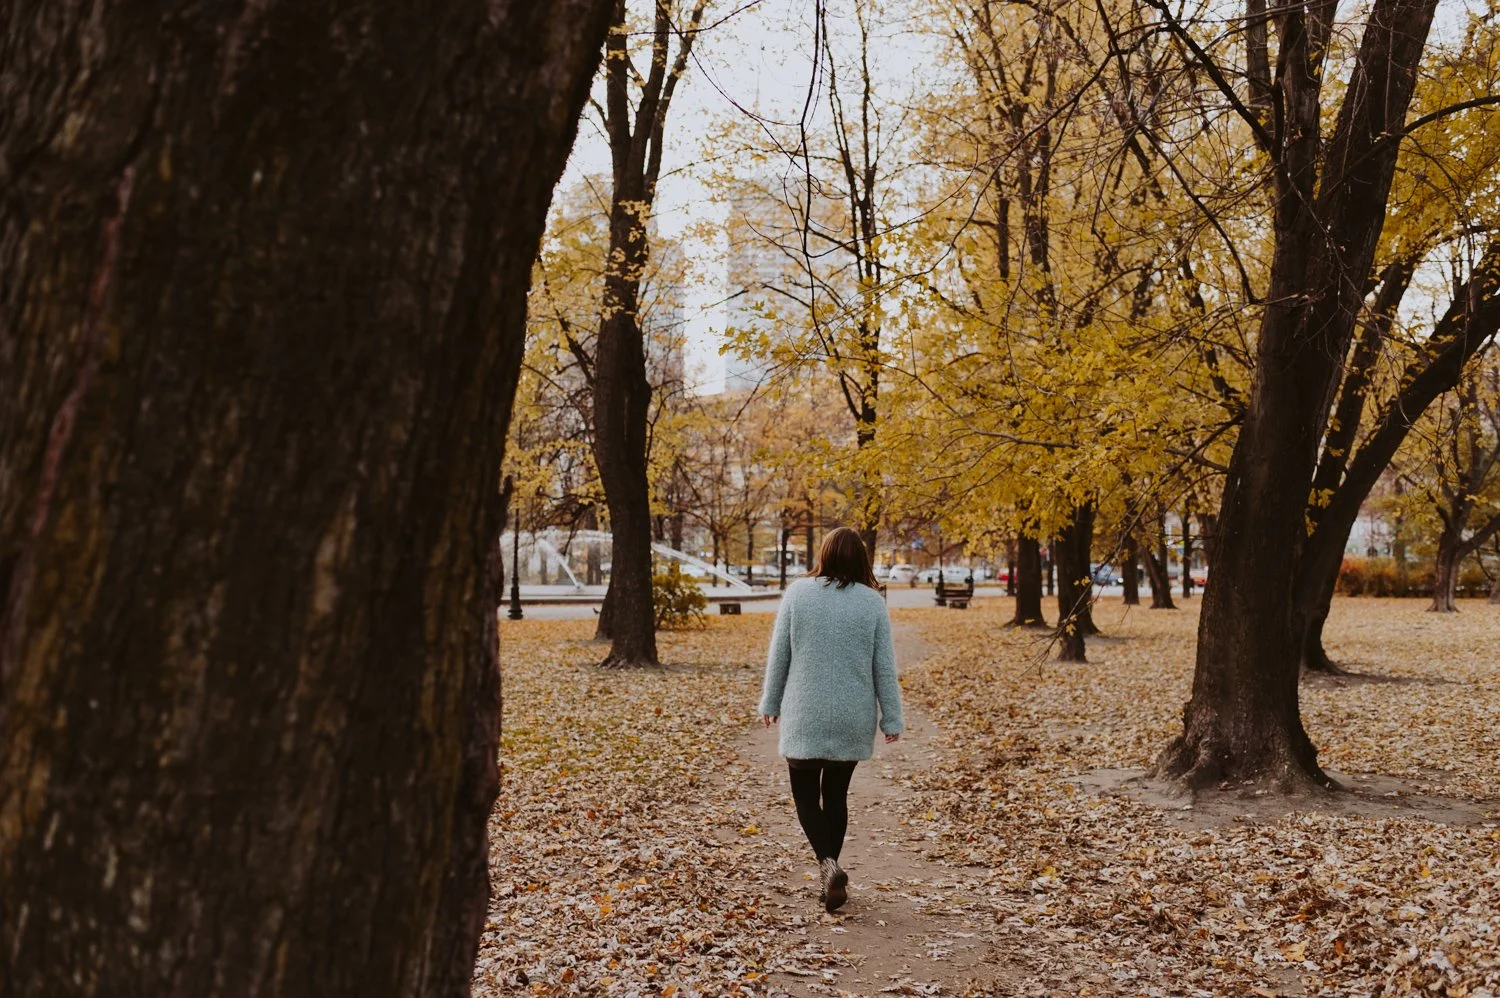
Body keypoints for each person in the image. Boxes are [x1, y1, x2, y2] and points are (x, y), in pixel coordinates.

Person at [757, 526, 904, 913]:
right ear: (861, 559)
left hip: (806, 713)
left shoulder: (798, 593)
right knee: (835, 796)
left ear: (823, 554)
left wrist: (770, 702)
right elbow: (884, 668)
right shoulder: (872, 602)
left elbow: (780, 655)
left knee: (805, 796)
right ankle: (831, 874)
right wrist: (891, 718)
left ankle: (827, 865)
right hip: (852, 715)